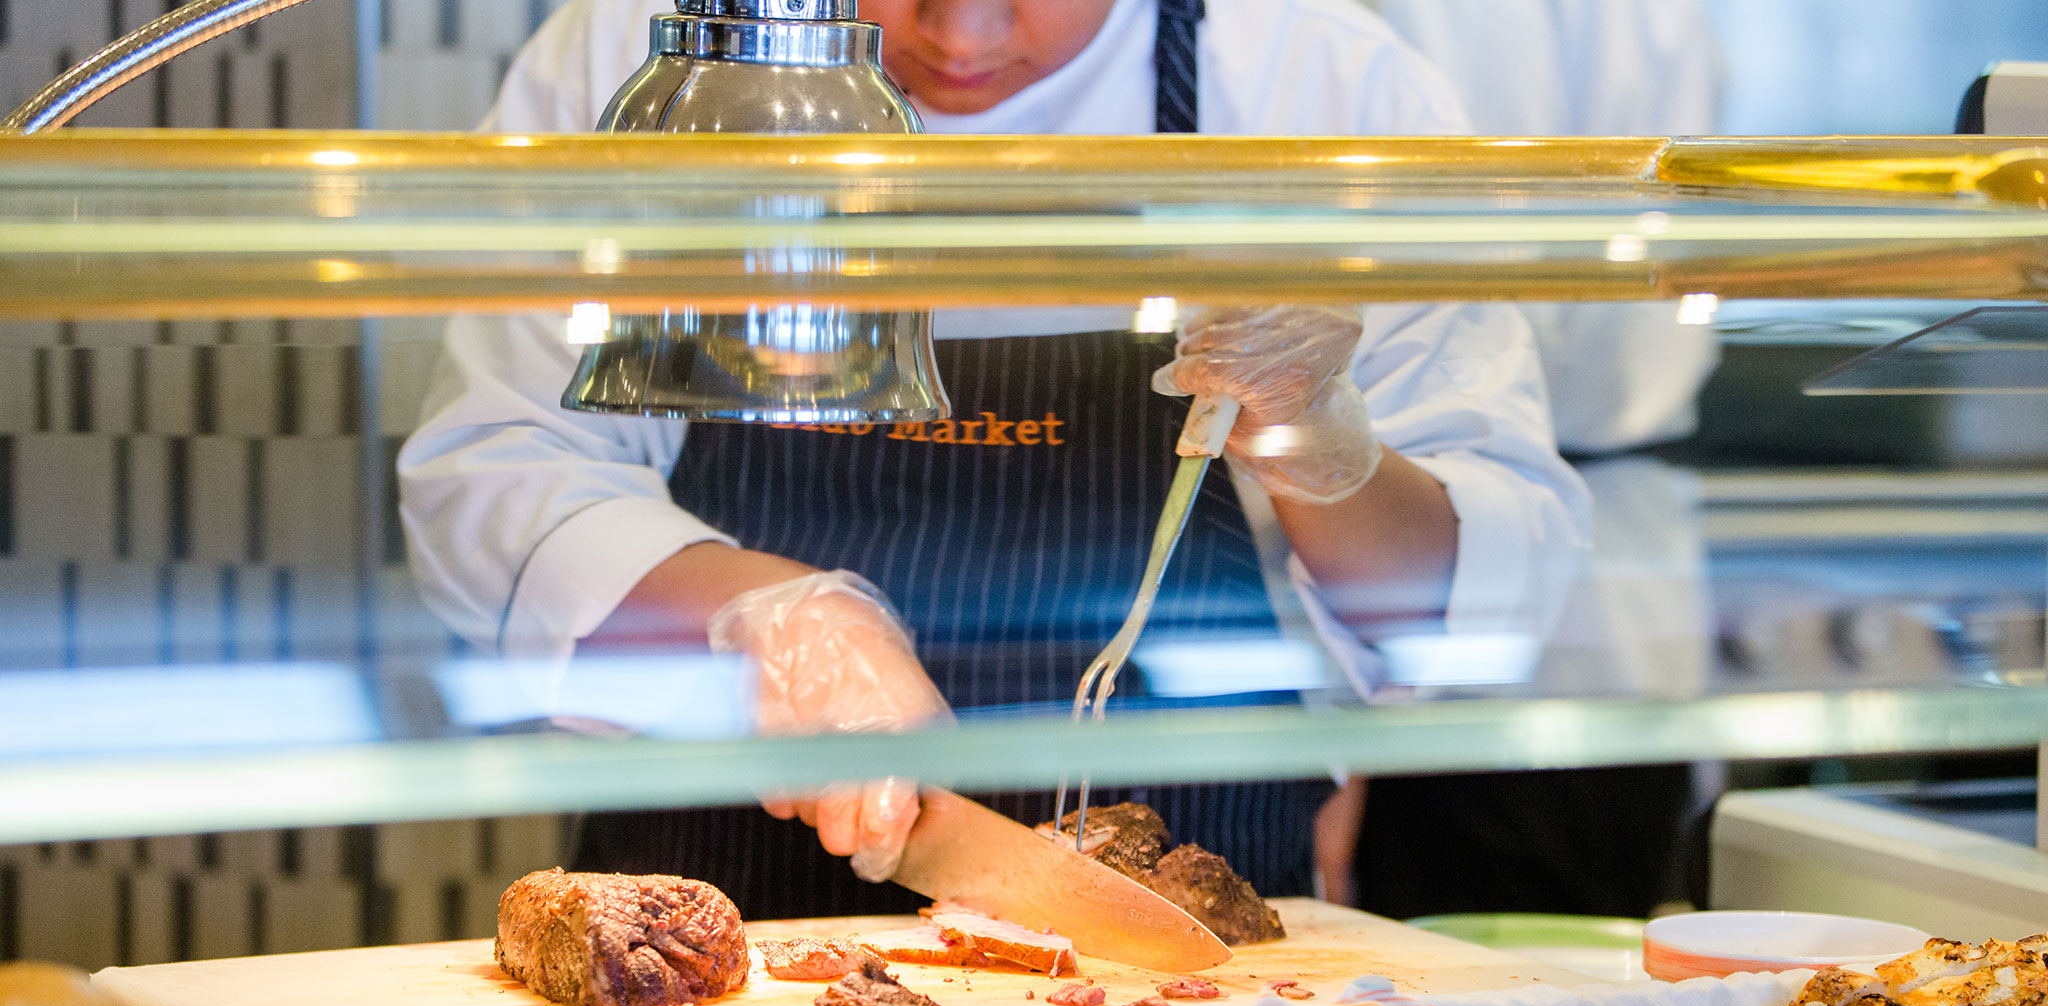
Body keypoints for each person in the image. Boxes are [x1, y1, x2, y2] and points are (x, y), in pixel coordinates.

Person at [398, 0, 1591, 919]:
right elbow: (499, 471)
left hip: (1178, 939)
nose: (959, 35)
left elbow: (1471, 603)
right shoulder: (653, 60)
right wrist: (761, 620)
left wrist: (1316, 445)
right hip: (717, 922)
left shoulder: (1321, 84)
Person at [1320, 0, 1724, 916]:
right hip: (1574, 573)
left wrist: (1347, 729)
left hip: (1461, 562)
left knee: (1487, 1003)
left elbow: (1456, 329)